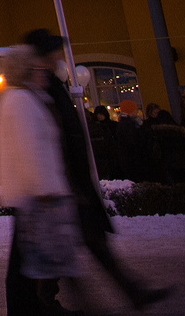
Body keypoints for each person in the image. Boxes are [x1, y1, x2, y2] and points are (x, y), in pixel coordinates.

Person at [22, 29, 169, 311]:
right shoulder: (39, 88)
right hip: (60, 186)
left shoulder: (52, 84)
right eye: (53, 50)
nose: (58, 55)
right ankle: (59, 303)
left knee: (87, 247)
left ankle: (127, 292)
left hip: (69, 184)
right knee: (67, 253)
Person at [0, 43, 82, 315]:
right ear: (25, 71)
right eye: (37, 67)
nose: (44, 71)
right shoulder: (21, 101)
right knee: (35, 264)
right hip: (34, 195)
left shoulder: (21, 98)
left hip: (30, 194)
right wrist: (46, 189)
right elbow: (31, 149)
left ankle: (36, 308)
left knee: (28, 264)